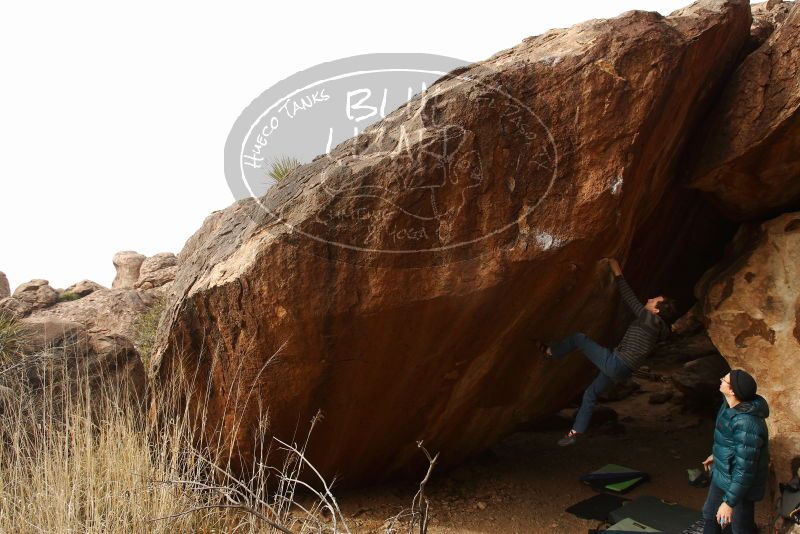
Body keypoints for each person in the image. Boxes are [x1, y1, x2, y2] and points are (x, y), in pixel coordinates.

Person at [533, 258, 678, 446]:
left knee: (579, 338)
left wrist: (615, 268)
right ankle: (575, 432)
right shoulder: (659, 329)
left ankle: (551, 352)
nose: (649, 299)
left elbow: (628, 296)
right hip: (623, 370)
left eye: (654, 300)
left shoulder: (647, 318)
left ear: (656, 310)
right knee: (591, 393)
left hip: (616, 363)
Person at [700, 370, 769, 534]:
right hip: (723, 473)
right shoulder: (728, 406)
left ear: (732, 391)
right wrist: (717, 456)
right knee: (710, 515)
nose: (721, 379)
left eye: (724, 379)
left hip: (740, 485)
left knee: (740, 528)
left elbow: (745, 470)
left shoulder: (747, 423)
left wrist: (729, 503)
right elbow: (728, 441)